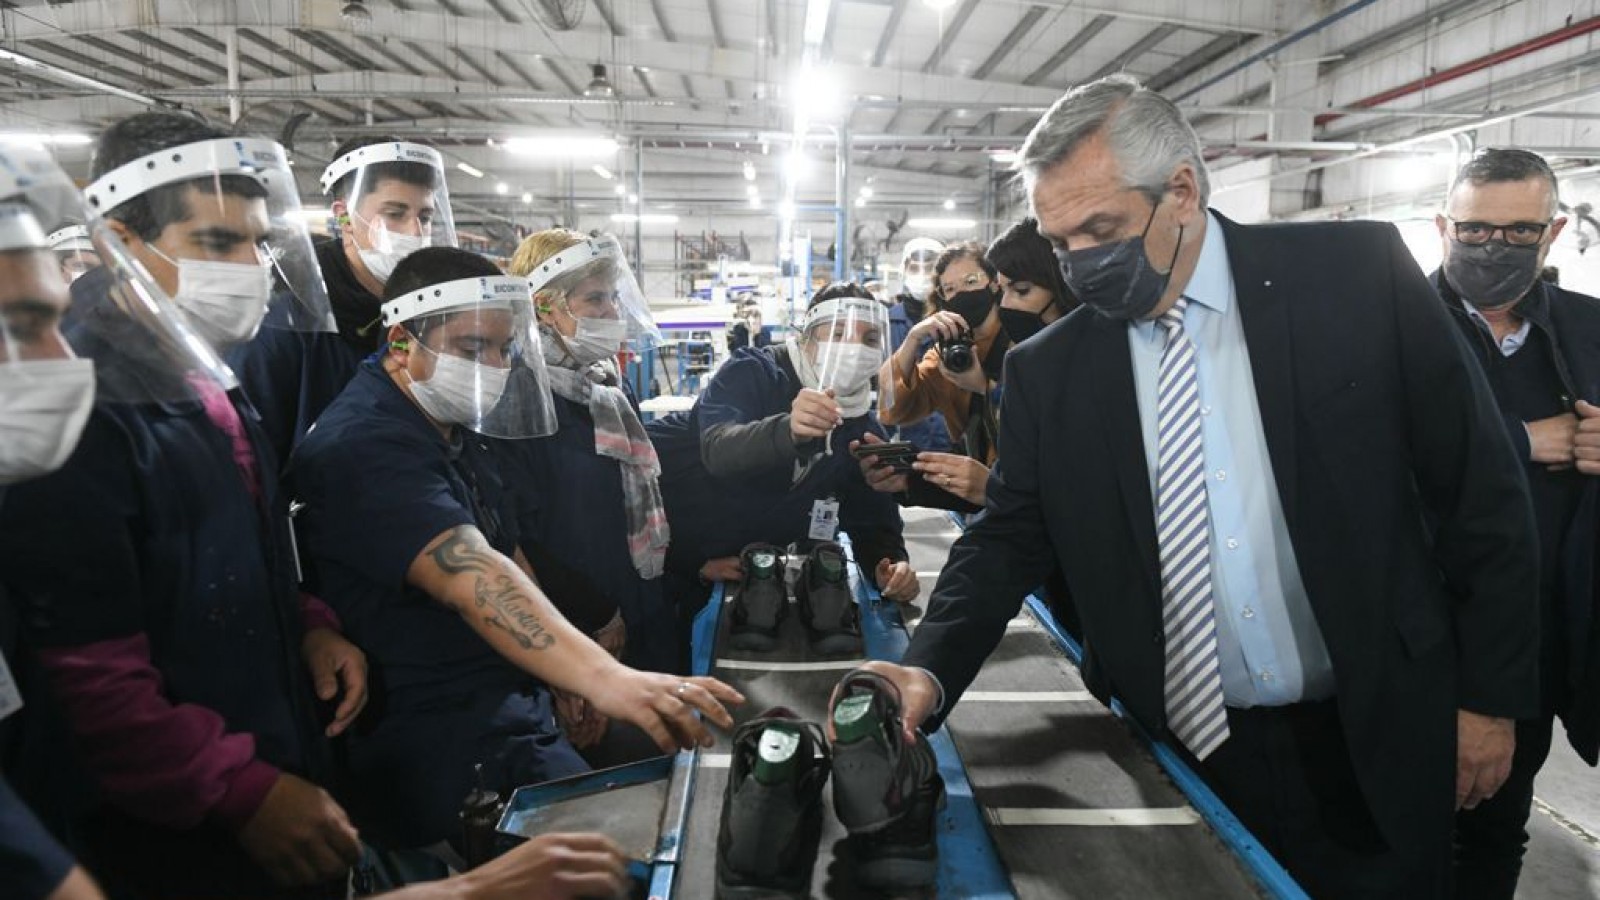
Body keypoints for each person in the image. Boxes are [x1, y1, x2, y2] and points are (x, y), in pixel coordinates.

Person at [851, 74, 1540, 898]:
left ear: (1181, 189)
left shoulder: (1354, 280)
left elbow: (1481, 493)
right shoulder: (1050, 372)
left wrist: (1490, 702)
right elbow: (1008, 538)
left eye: (1100, 229)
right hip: (1180, 751)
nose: (1079, 262)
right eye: (1059, 239)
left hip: (1376, 726)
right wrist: (925, 670)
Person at [2, 122, 369, 895]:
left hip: (260, 759)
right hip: (166, 835)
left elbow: (218, 551)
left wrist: (304, 623)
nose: (249, 270)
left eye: (256, 244)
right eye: (215, 242)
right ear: (116, 242)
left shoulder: (202, 376)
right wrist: (239, 791)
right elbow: (84, 669)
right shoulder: (80, 400)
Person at [291, 247, 742, 861]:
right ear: (401, 342)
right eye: (473, 348)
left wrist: (561, 672)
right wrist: (607, 678)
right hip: (442, 742)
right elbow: (473, 574)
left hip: (511, 708)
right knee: (612, 861)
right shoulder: (365, 446)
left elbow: (509, 552)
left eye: (504, 350)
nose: (494, 368)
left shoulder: (452, 429)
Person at [1430, 147, 1600, 899]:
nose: (1492, 248)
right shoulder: (1391, 323)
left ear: (1555, 231)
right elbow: (1363, 450)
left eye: (1518, 233)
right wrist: (1522, 439)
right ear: (1442, 226)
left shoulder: (1589, 330)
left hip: (1543, 642)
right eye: (1474, 230)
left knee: (1493, 837)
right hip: (1422, 636)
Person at [647, 283, 918, 649]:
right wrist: (787, 430)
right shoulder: (752, 371)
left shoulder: (861, 426)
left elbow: (872, 518)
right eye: (838, 333)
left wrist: (889, 564)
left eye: (869, 338)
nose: (854, 348)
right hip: (675, 558)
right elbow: (719, 448)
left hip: (753, 575)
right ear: (806, 337)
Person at [500, 228, 675, 677]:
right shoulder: (520, 400)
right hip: (579, 627)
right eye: (595, 300)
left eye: (613, 297)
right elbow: (516, 535)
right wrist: (594, 614)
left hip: (640, 601)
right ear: (544, 307)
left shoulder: (606, 388)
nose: (612, 312)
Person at [228, 134, 456, 465]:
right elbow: (249, 453)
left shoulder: (428, 317)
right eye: (395, 213)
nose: (414, 232)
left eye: (424, 217)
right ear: (344, 217)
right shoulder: (288, 322)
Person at [873, 242, 1006, 510]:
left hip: (1023, 485)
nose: (962, 293)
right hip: (972, 489)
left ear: (994, 283)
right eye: (951, 289)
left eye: (971, 281)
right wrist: (912, 341)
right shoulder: (945, 356)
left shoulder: (1024, 339)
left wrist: (983, 387)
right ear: (943, 300)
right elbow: (890, 410)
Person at [884, 238, 951, 453]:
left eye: (930, 267)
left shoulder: (957, 322)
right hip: (900, 450)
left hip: (953, 449)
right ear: (904, 270)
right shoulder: (884, 325)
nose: (922, 273)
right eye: (914, 267)